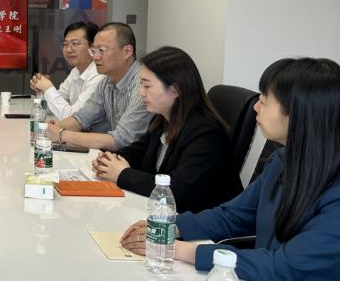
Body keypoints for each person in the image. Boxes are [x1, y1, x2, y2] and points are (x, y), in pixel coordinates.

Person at [121, 58, 340, 281]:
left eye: (264, 101)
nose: (256, 107)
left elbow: (284, 265)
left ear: (298, 114)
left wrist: (179, 250)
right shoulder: (283, 161)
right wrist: (173, 227)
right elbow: (233, 215)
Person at [92, 46, 242, 213]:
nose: (141, 93)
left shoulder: (206, 134)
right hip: (163, 213)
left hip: (197, 220)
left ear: (175, 90)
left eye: (146, 85)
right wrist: (109, 160)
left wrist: (122, 174)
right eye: (140, 84)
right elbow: (139, 151)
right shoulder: (163, 118)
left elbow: (177, 191)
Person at [47, 22, 152, 151]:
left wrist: (61, 134)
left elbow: (121, 140)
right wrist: (52, 128)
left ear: (127, 51)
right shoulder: (106, 82)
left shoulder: (143, 84)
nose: (95, 57)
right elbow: (82, 118)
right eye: (94, 51)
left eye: (102, 50)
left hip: (137, 159)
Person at [30, 21, 104, 119]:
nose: (68, 50)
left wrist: (48, 87)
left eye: (75, 43)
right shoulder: (76, 71)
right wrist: (43, 91)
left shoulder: (99, 75)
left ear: (93, 47)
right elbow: (52, 108)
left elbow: (73, 118)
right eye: (65, 44)